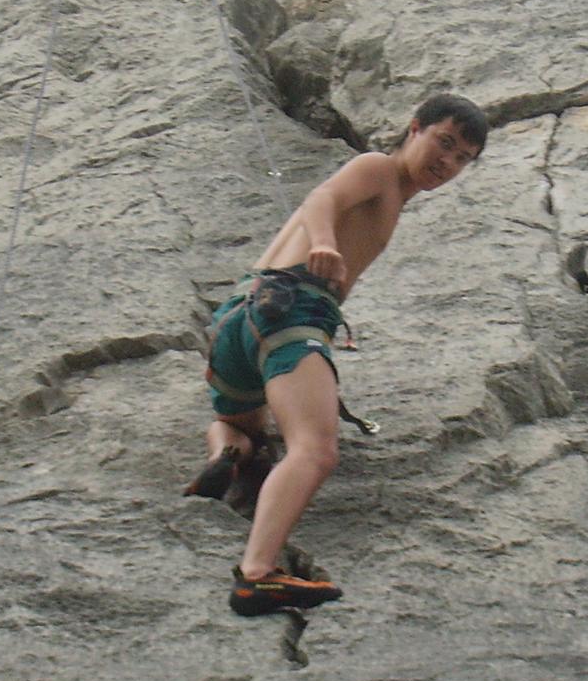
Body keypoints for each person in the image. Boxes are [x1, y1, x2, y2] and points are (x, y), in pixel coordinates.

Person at [186, 93, 489, 616]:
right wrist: (324, 243)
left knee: (247, 432)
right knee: (315, 450)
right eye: (444, 143)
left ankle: (225, 454)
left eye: (463, 158)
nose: (448, 162)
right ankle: (257, 575)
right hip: (290, 311)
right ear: (414, 129)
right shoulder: (379, 169)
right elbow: (321, 198)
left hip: (237, 321)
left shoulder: (395, 193)